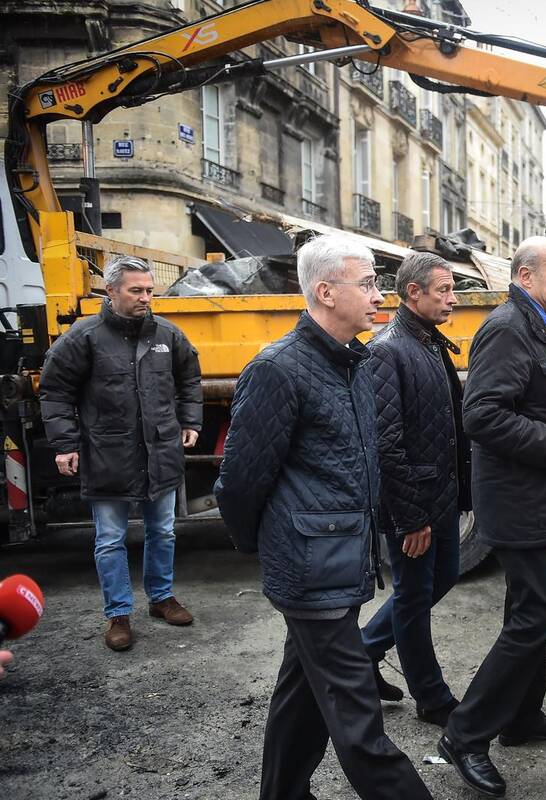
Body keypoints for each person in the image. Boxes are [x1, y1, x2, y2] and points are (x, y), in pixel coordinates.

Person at [215, 235, 432, 800]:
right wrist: (271, 547)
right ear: (326, 292)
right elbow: (239, 482)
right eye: (368, 283)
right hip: (312, 570)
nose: (379, 295)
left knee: (301, 692)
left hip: (337, 560)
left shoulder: (354, 361)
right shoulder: (278, 369)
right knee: (359, 720)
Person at [439, 236, 546, 799]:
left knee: (527, 610)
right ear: (525, 276)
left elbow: (531, 399)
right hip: (519, 499)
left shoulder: (540, 324)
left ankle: (521, 718)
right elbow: (482, 414)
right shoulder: (507, 327)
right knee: (535, 617)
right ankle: (465, 734)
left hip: (537, 498)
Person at [39, 255, 202, 652]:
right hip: (106, 454)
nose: (145, 297)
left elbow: (189, 378)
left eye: (149, 290)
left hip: (160, 452)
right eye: (136, 291)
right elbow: (55, 391)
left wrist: (190, 421)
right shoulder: (83, 337)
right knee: (110, 539)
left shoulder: (168, 335)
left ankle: (161, 598)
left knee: (163, 531)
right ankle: (118, 614)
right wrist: (65, 444)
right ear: (110, 290)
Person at [358, 252, 469, 728]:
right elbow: (386, 443)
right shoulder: (387, 350)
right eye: (444, 290)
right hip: (414, 504)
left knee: (439, 580)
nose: (452, 299)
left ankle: (363, 651)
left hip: (439, 496)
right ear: (413, 293)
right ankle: (431, 696)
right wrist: (410, 518)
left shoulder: (428, 341)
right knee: (413, 596)